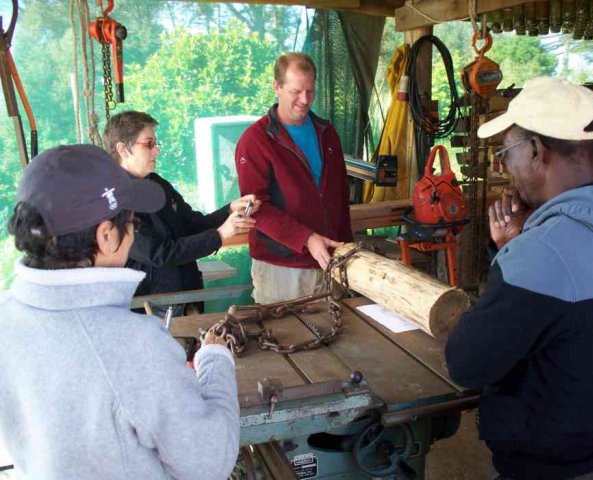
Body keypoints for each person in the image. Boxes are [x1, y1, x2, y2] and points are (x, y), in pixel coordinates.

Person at [0, 145, 239, 479]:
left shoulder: (6, 318)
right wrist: (215, 359)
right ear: (106, 236)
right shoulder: (134, 342)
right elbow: (210, 460)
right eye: (132, 222)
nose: (133, 232)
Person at [445, 77, 593, 479]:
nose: (505, 167)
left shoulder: (541, 254)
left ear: (536, 151)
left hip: (549, 468)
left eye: (506, 152)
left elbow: (467, 363)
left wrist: (515, 254)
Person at [104, 110, 259, 316]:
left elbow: (191, 224)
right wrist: (220, 235)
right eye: (149, 144)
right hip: (150, 306)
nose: (156, 151)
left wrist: (229, 210)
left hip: (187, 295)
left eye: (156, 143)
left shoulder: (157, 183)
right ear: (123, 149)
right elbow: (159, 254)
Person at [234, 52, 353, 304]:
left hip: (330, 259)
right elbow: (255, 209)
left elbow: (340, 195)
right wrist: (307, 238)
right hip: (283, 266)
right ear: (276, 87)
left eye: (310, 91)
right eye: (296, 91)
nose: (305, 100)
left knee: (338, 327)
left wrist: (346, 247)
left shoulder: (327, 133)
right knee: (287, 328)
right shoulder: (256, 140)